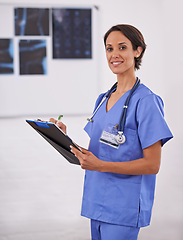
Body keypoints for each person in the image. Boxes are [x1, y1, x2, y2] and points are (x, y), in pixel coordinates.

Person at [50, 24, 173, 240]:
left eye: (122, 47)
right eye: (109, 49)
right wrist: (62, 137)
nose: (114, 54)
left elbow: (152, 165)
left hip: (123, 206)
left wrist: (101, 166)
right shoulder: (103, 99)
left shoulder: (146, 102)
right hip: (96, 201)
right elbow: (97, 153)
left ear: (138, 51)